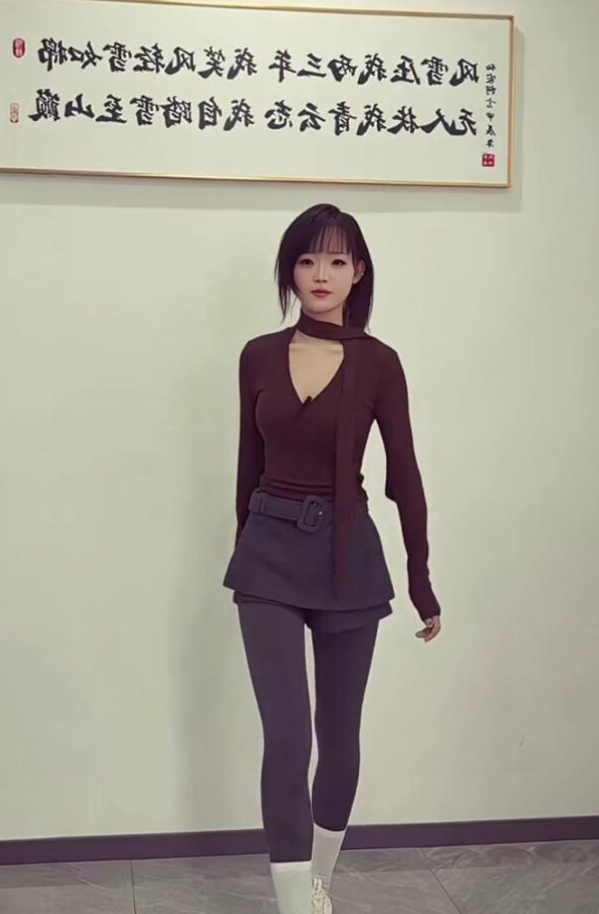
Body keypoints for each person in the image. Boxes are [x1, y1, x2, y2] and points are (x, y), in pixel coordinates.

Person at [222, 203, 442, 914]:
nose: (321, 273)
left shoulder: (380, 363)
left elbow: (404, 474)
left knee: (337, 735)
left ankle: (318, 882)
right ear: (290, 270)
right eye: (308, 259)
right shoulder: (258, 354)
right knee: (287, 736)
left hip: (349, 559)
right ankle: (294, 906)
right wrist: (246, 551)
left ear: (358, 273)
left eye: (338, 260)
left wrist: (420, 580)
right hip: (268, 558)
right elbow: (247, 465)